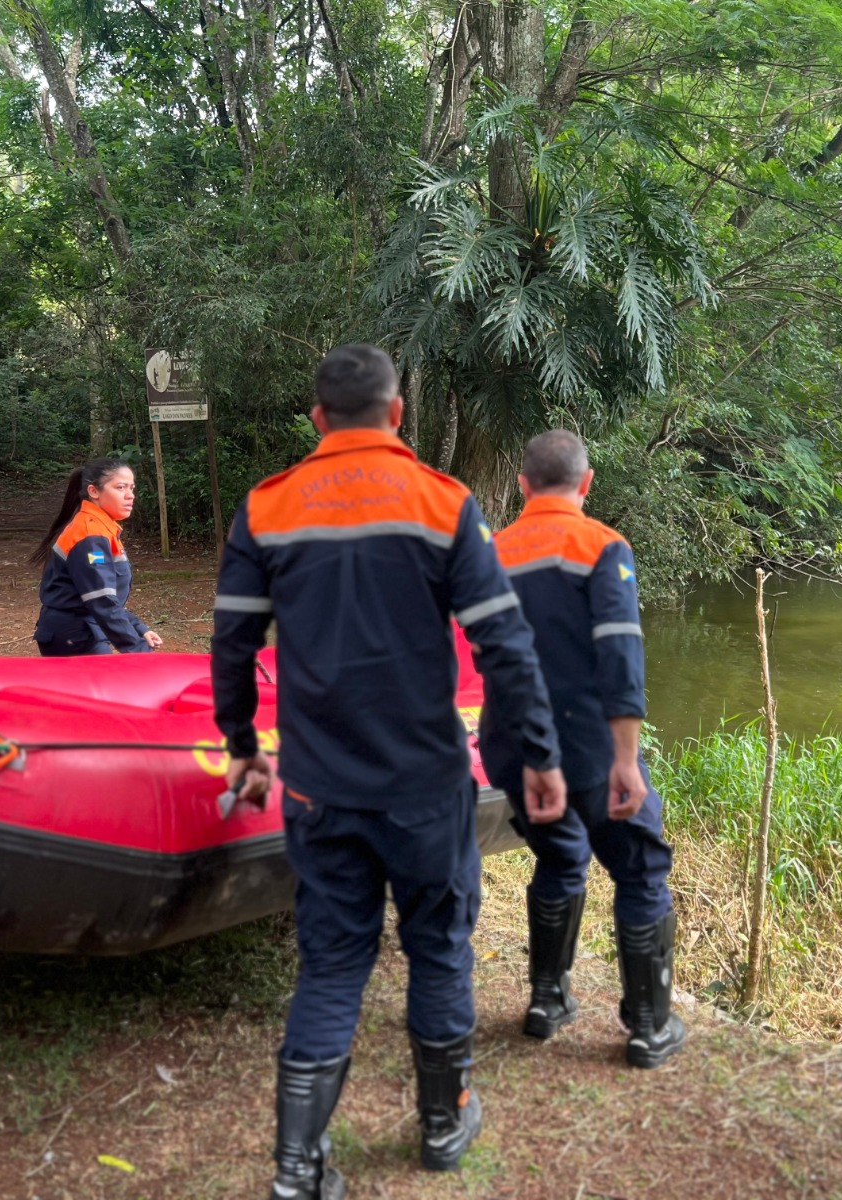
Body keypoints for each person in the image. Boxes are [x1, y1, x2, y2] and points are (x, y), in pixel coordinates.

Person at [211, 344, 567, 1200]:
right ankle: (445, 1124)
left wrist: (242, 748)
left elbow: (231, 644)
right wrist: (541, 757)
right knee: (440, 950)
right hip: (425, 789)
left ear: (317, 418)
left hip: (316, 788)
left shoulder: (268, 506)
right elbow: (506, 649)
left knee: (332, 964)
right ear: (398, 414)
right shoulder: (443, 504)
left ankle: (298, 1168)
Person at [482, 430, 686, 1069]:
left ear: (522, 485)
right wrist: (626, 759)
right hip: (591, 749)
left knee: (560, 856)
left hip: (513, 747)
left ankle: (547, 1001)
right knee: (640, 867)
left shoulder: (492, 553)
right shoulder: (602, 547)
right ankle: (649, 1028)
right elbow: (620, 652)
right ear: (587, 482)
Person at [29, 459, 163, 656]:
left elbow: (104, 598)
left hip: (85, 630)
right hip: (73, 638)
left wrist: (139, 629)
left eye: (132, 488)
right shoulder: (89, 535)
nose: (130, 496)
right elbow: (101, 600)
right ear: (94, 492)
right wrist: (138, 651)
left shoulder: (101, 529)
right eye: (120, 487)